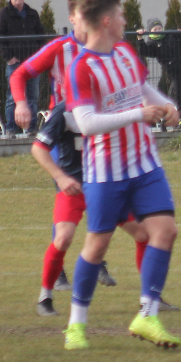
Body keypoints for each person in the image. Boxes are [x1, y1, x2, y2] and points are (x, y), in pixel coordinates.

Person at [62, 0, 181, 350]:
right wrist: (137, 114)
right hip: (104, 172)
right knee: (96, 247)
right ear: (105, 21)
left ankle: (147, 314)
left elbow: (141, 88)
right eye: (121, 15)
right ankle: (76, 325)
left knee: (165, 231)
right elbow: (85, 123)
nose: (127, 21)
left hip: (145, 164)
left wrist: (166, 105)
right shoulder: (80, 67)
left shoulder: (127, 53)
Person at [32, 101, 161, 316]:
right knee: (63, 239)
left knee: (143, 234)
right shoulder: (65, 112)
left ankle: (149, 298)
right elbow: (38, 149)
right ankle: (45, 296)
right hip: (74, 188)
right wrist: (61, 178)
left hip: (106, 186)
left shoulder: (112, 104)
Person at [11, 0, 83, 132]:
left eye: (93, 15)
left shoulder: (109, 47)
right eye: (84, 15)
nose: (89, 19)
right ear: (72, 19)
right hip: (64, 123)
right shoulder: (58, 48)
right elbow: (18, 75)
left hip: (97, 122)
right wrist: (21, 104)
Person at [0, 0, 47, 133]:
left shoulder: (32, 14)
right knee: (12, 98)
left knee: (33, 96)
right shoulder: (4, 14)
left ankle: (31, 128)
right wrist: (9, 57)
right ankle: (11, 129)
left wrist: (39, 56)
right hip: (14, 63)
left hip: (32, 63)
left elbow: (41, 36)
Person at [136, 19, 181, 118]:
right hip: (175, 71)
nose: (158, 30)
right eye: (155, 29)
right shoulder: (152, 44)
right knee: (179, 94)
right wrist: (140, 38)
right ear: (150, 31)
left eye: (159, 28)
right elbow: (144, 51)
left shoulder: (170, 35)